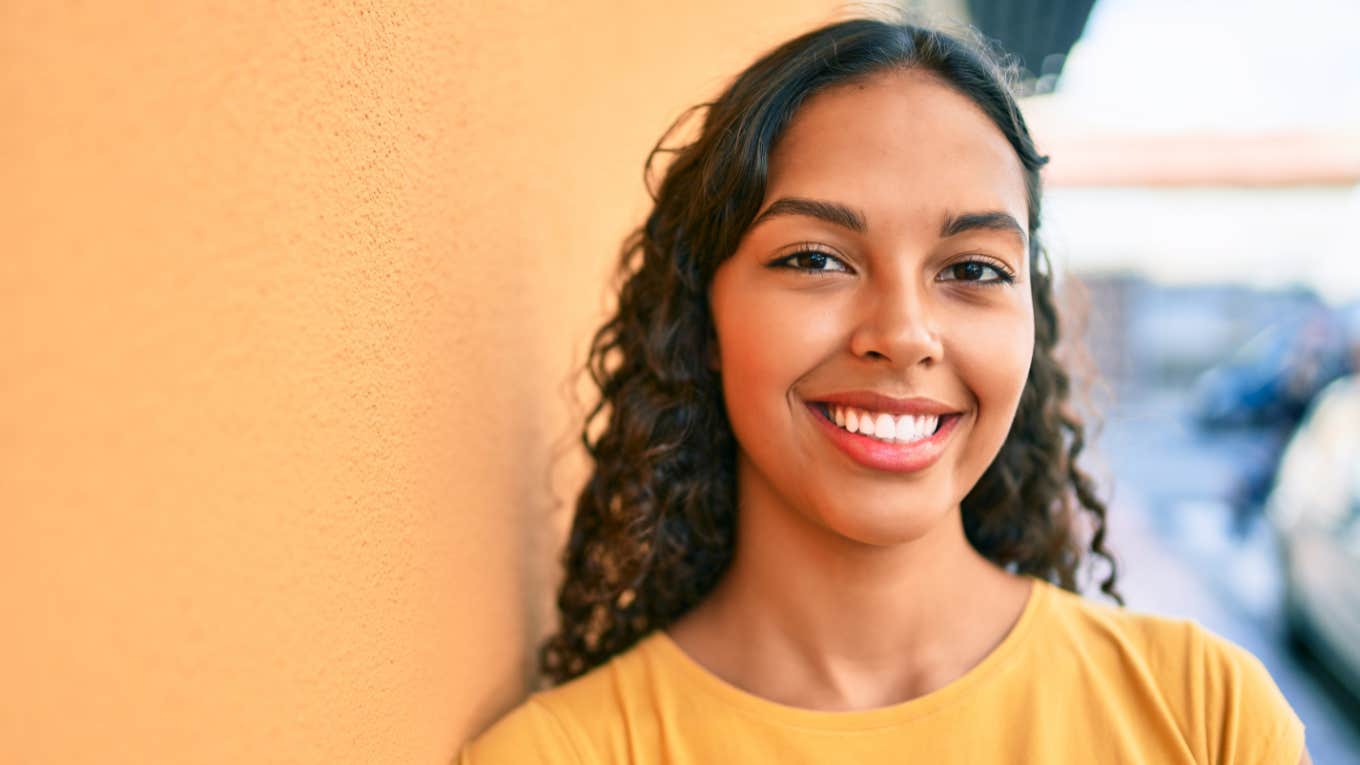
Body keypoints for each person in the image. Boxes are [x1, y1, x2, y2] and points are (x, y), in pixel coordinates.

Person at [460, 14, 1309, 764]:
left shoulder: (1208, 716)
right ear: (702, 317)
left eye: (973, 269)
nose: (903, 333)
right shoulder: (559, 754)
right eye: (815, 258)